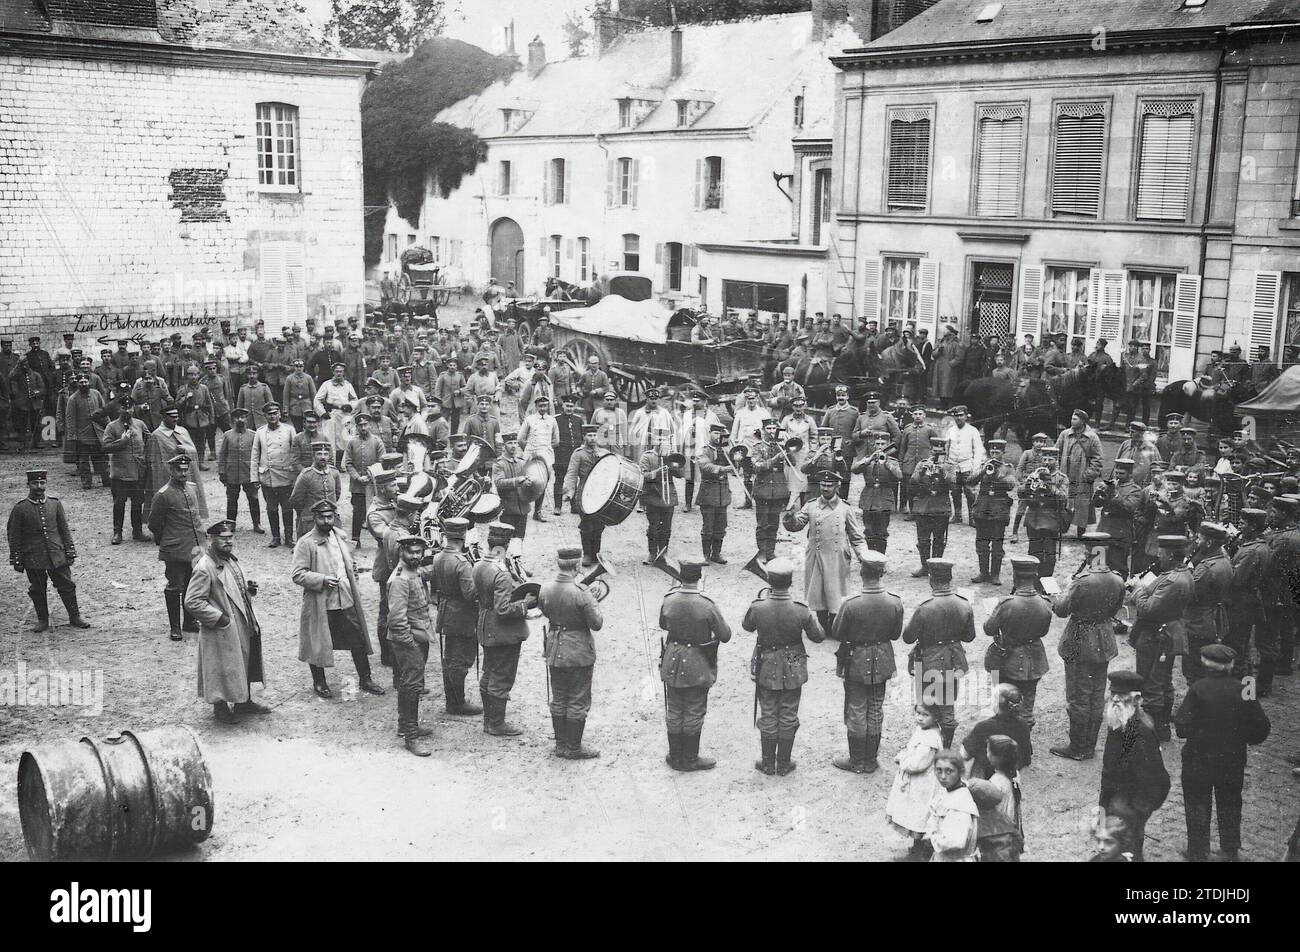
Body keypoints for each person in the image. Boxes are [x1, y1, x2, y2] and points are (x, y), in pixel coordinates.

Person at [1173, 644, 1271, 861]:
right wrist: (1241, 739)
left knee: (1197, 802)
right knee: (1230, 802)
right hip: (1233, 759)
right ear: (1230, 665)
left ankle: (1198, 851)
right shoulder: (1246, 687)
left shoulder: (1198, 688)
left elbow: (1182, 728)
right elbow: (1261, 728)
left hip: (1198, 760)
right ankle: (1229, 849)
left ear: (1205, 664)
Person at [291, 498, 385, 699]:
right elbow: (298, 574)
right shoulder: (306, 543)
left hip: (345, 598)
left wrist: (354, 571)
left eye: (330, 517)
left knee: (357, 638)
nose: (326, 521)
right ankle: (319, 682)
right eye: (322, 517)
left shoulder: (339, 536)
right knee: (318, 640)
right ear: (315, 518)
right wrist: (322, 579)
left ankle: (366, 679)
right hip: (321, 602)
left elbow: (347, 562)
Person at [742, 557, 824, 776]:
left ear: (769, 580)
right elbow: (818, 637)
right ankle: (784, 764)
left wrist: (760, 604)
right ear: (790, 582)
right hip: (793, 661)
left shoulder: (758, 607)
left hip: (766, 661)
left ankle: (768, 764)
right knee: (789, 711)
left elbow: (747, 626)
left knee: (768, 711)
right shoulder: (801, 609)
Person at [1050, 532, 1125, 761]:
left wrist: (1058, 593)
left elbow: (1061, 610)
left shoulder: (1082, 582)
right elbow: (1115, 610)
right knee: (1096, 694)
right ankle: (1089, 744)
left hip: (1079, 641)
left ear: (1088, 553)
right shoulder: (1117, 579)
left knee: (1078, 696)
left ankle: (1078, 747)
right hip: (1104, 639)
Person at [184, 519, 267, 725]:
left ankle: (243, 702)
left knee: (243, 661)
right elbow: (192, 601)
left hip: (241, 620)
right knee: (220, 666)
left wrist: (247, 590)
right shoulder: (205, 567)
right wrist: (219, 619)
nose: (228, 542)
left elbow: (230, 587)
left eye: (230, 537)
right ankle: (220, 708)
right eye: (223, 539)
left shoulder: (229, 560)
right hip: (222, 628)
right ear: (212, 540)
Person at [659, 555, 732, 771]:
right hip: (698, 661)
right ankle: (690, 759)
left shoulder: (668, 599)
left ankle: (675, 756)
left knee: (674, 708)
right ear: (699, 577)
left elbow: (663, 623)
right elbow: (725, 635)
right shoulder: (706, 604)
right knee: (694, 709)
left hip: (672, 657)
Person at [831, 551, 900, 773]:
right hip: (882, 659)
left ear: (862, 572)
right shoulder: (895, 601)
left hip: (856, 661)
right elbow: (896, 634)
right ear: (881, 573)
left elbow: (837, 631)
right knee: (875, 708)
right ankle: (871, 759)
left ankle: (856, 760)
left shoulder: (851, 603)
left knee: (857, 708)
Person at [783, 469, 870, 634]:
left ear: (837, 486)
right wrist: (789, 518)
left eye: (830, 485)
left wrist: (864, 557)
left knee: (836, 593)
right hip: (816, 557)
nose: (825, 488)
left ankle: (836, 627)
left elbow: (856, 537)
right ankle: (823, 626)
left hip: (837, 558)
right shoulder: (811, 505)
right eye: (823, 484)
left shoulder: (845, 508)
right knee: (818, 594)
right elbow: (797, 525)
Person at [538, 545, 605, 759]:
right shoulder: (581, 592)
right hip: (577, 651)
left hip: (555, 647)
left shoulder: (545, 588)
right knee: (578, 699)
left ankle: (560, 745)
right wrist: (592, 601)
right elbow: (596, 624)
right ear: (576, 565)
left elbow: (545, 610)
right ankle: (574, 748)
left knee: (559, 697)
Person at [902, 558, 976, 748]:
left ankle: (928, 744)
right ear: (950, 578)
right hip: (953, 660)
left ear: (930, 579)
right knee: (948, 703)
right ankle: (946, 745)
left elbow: (908, 637)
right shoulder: (964, 604)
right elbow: (969, 637)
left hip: (928, 660)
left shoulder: (925, 607)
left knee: (926, 701)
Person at [1098, 670, 1171, 861]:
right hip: (1117, 799)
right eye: (1112, 694)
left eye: (1121, 696)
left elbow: (1155, 777)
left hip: (1126, 805)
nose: (1114, 699)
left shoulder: (1138, 732)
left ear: (1136, 699)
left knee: (1126, 849)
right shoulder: (1124, 719)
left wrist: (1136, 808)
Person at [7, 469, 89, 631]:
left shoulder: (55, 504)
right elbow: (14, 536)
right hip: (33, 557)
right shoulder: (20, 509)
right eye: (35, 483)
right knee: (37, 588)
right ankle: (43, 620)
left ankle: (75, 616)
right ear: (28, 484)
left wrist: (70, 551)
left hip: (57, 554)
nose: (39, 487)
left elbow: (64, 530)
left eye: (42, 483)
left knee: (67, 585)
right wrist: (16, 559)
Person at [473, 521, 535, 737]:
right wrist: (525, 603)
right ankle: (496, 724)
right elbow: (503, 609)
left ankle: (488, 721)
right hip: (502, 633)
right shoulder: (502, 573)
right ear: (505, 545)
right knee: (502, 676)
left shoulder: (479, 564)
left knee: (489, 673)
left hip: (484, 626)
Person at [1131, 534, 1195, 742]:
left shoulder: (1171, 580)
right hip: (1168, 631)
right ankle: (1163, 726)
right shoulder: (1183, 574)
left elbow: (1148, 609)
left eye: (1161, 553)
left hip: (1156, 635)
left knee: (1150, 682)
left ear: (1170, 555)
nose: (1159, 557)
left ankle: (1151, 732)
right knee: (1163, 681)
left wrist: (1138, 589)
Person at [982, 554, 1051, 732]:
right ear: (1035, 577)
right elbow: (1043, 631)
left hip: (1007, 660)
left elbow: (989, 629)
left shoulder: (1006, 604)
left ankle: (1004, 741)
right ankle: (1024, 745)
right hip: (1035, 659)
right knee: (1027, 704)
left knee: (1003, 702)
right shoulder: (1044, 603)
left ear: (1015, 576)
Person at [386, 533, 437, 756]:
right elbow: (396, 618)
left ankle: (405, 725)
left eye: (419, 552)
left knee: (410, 684)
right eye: (411, 552)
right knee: (412, 686)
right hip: (410, 640)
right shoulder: (400, 579)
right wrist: (408, 643)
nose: (415, 556)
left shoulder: (412, 571)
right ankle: (411, 736)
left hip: (418, 636)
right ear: (402, 552)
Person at [426, 516, 482, 716]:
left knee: (449, 658)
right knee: (460, 660)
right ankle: (457, 704)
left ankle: (453, 700)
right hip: (462, 616)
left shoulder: (438, 557)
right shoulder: (462, 563)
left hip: (446, 611)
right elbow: (470, 594)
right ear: (463, 536)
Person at [146, 453, 205, 641]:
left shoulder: (192, 489)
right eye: (179, 470)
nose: (183, 473)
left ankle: (190, 622)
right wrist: (167, 542)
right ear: (171, 470)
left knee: (192, 585)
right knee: (174, 587)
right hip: (175, 550)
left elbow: (197, 518)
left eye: (186, 469)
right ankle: (175, 627)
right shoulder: (163, 495)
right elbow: (154, 524)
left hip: (195, 548)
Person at [885, 705, 943, 860]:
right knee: (914, 812)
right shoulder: (922, 730)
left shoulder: (930, 739)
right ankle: (917, 846)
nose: (920, 718)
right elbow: (912, 749)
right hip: (917, 783)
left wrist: (902, 759)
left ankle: (922, 850)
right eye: (918, 713)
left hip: (922, 784)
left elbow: (917, 764)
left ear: (936, 717)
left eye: (926, 715)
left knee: (919, 814)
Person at [1182, 522, 1234, 687]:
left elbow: (1190, 594)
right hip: (1215, 618)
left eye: (1200, 538)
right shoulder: (1225, 561)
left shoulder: (1206, 568)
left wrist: (1186, 574)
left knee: (1193, 669)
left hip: (1197, 622)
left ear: (1209, 542)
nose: (1197, 542)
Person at [1226, 508, 1269, 689]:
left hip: (1241, 604)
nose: (1240, 526)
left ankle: (1244, 694)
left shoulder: (1252, 551)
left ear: (1253, 526)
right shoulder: (1258, 545)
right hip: (1247, 601)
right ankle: (1246, 694)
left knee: (1239, 650)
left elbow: (1236, 579)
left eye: (1243, 523)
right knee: (1242, 648)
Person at [100, 397, 151, 545]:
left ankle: (137, 531)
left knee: (137, 503)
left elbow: (150, 440)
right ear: (118, 409)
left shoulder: (140, 424)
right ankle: (117, 532)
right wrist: (122, 442)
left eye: (130, 407)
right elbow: (105, 447)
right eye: (124, 407)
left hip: (137, 472)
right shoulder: (112, 426)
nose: (127, 410)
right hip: (120, 473)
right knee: (119, 503)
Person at [960, 683, 1033, 779]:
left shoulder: (984, 726)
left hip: (985, 777)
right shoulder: (1023, 724)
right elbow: (1026, 758)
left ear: (996, 703)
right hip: (1010, 776)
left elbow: (964, 755)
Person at [251, 403, 298, 548]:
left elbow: (295, 453)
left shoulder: (289, 430)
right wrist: (254, 477)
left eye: (275, 413)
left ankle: (289, 538)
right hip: (268, 477)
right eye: (269, 413)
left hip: (285, 476)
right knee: (271, 508)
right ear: (265, 416)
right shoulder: (259, 432)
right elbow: (255, 455)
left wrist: (295, 476)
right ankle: (276, 537)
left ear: (279, 414)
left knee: (287, 508)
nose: (273, 416)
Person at [971, 438, 1016, 584]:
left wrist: (998, 473)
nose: (994, 453)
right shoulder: (984, 465)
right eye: (992, 450)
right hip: (983, 508)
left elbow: (1010, 485)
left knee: (997, 544)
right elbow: (970, 480)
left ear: (1003, 452)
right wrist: (983, 470)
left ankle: (995, 574)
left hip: (999, 509)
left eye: (997, 451)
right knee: (982, 543)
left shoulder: (1008, 468)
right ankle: (983, 572)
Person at [563, 424, 609, 566]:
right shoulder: (579, 454)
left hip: (601, 495)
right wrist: (569, 492)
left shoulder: (604, 453)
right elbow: (571, 474)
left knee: (599, 525)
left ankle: (596, 554)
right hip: (584, 495)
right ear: (584, 437)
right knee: (587, 525)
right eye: (589, 435)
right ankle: (587, 554)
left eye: (595, 435)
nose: (593, 438)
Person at [1018, 445, 1068, 577]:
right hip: (1033, 518)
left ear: (1056, 460)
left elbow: (1063, 498)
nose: (1046, 462)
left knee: (1049, 554)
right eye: (1044, 458)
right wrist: (1028, 484)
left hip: (1050, 520)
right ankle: (1032, 580)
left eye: (1050, 459)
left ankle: (1046, 581)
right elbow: (1020, 492)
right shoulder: (1034, 474)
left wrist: (1049, 485)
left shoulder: (1061, 478)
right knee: (1034, 552)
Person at [909, 435, 955, 576]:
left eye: (940, 452)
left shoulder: (950, 466)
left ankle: (936, 567)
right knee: (923, 540)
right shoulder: (922, 464)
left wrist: (942, 471)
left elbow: (954, 485)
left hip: (941, 507)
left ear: (945, 452)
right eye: (935, 452)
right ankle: (925, 566)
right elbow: (912, 481)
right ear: (931, 451)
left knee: (939, 539)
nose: (937, 455)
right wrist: (923, 470)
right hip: (924, 506)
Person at [925, 752, 982, 863]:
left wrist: (931, 837)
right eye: (938, 770)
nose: (943, 776)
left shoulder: (961, 804)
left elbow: (954, 841)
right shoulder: (946, 791)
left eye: (949, 771)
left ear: (960, 772)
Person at [852, 431, 901, 552]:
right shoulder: (868, 459)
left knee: (882, 532)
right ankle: (871, 559)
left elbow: (899, 476)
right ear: (873, 444)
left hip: (884, 499)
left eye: (883, 443)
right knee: (869, 531)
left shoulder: (892, 460)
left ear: (888, 444)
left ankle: (880, 559)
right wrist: (868, 460)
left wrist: (887, 463)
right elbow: (854, 469)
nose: (880, 446)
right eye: (877, 443)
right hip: (869, 499)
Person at [1057, 410, 1103, 536]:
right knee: (1063, 500)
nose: (1072, 421)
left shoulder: (1092, 437)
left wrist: (1088, 475)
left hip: (1082, 477)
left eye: (1075, 419)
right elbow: (1057, 453)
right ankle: (1061, 527)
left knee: (1082, 505)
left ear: (1083, 421)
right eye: (1072, 418)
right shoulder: (1065, 434)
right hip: (1065, 474)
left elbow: (1097, 459)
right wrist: (1058, 472)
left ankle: (1081, 532)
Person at [1094, 458, 1142, 577]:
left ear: (1130, 474)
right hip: (1104, 530)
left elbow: (1129, 507)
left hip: (1120, 533)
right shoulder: (1109, 485)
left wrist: (1115, 493)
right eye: (1117, 473)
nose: (1118, 476)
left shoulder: (1135, 489)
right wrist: (1099, 493)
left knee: (1118, 567)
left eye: (1122, 473)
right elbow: (1096, 504)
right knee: (1098, 564)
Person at [217, 408, 262, 533]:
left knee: (253, 499)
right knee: (231, 500)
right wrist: (222, 472)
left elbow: (258, 456)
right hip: (232, 474)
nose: (240, 420)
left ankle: (256, 523)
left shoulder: (253, 435)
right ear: (233, 419)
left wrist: (257, 474)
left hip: (248, 473)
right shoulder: (227, 435)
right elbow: (222, 455)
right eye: (237, 417)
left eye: (243, 417)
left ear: (247, 419)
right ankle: (231, 524)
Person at [750, 418, 789, 562]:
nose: (772, 431)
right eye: (769, 428)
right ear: (763, 430)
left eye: (774, 428)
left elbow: (794, 463)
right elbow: (757, 466)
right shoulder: (758, 447)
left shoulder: (781, 446)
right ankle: (761, 552)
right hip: (763, 490)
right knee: (762, 524)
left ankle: (770, 552)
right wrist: (775, 458)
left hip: (778, 490)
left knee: (774, 523)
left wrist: (788, 450)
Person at [343, 413, 385, 546]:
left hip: (373, 484)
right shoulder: (352, 442)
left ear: (370, 425)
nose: (363, 428)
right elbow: (348, 463)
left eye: (365, 424)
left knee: (376, 513)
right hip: (357, 485)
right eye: (360, 425)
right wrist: (357, 477)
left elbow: (381, 462)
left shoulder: (377, 441)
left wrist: (369, 476)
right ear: (356, 426)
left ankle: (380, 539)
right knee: (358, 511)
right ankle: (355, 539)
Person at [695, 423, 733, 564]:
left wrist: (736, 454)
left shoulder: (725, 449)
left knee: (721, 526)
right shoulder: (704, 449)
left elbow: (736, 463)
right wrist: (723, 469)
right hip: (709, 492)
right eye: (715, 433)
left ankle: (716, 554)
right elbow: (705, 466)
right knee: (708, 526)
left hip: (723, 493)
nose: (718, 436)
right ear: (710, 433)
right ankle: (705, 555)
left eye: (720, 434)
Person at [289, 441, 342, 541]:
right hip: (311, 521)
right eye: (319, 454)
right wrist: (306, 513)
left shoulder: (334, 472)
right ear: (313, 456)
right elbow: (295, 499)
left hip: (331, 520)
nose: (323, 457)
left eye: (325, 454)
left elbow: (337, 494)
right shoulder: (306, 475)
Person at [518, 394, 559, 521]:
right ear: (536, 406)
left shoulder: (552, 420)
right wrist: (530, 450)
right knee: (526, 481)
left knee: (542, 483)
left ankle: (538, 512)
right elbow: (520, 438)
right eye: (540, 406)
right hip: (530, 454)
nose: (542, 408)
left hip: (545, 456)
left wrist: (546, 449)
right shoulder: (529, 419)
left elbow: (556, 440)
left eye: (545, 406)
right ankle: (522, 510)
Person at [64, 374, 108, 489]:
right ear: (78, 384)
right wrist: (73, 436)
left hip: (97, 433)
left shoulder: (96, 394)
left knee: (101, 458)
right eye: (81, 382)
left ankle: (107, 480)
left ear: (89, 382)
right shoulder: (73, 399)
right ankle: (86, 483)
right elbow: (70, 419)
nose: (84, 384)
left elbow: (104, 411)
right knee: (84, 461)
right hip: (82, 435)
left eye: (85, 382)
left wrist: (108, 427)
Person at [638, 437, 678, 564]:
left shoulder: (671, 456)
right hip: (652, 495)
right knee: (653, 526)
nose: (661, 442)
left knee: (667, 527)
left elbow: (682, 473)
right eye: (659, 439)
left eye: (664, 440)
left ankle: (663, 553)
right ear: (653, 442)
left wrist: (673, 462)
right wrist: (657, 472)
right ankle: (652, 552)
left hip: (668, 495)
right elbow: (642, 475)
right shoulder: (647, 456)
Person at [945, 405, 985, 524]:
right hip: (953, 466)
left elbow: (978, 450)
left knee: (970, 492)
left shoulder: (973, 431)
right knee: (955, 492)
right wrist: (947, 464)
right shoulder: (950, 430)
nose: (958, 418)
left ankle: (972, 517)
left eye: (961, 415)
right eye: (956, 416)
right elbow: (947, 447)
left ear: (966, 416)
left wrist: (975, 467)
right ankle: (957, 515)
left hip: (967, 465)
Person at [898, 404, 937, 517]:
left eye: (920, 414)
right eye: (915, 414)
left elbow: (936, 445)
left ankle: (923, 510)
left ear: (924, 415)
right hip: (909, 463)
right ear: (912, 415)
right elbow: (902, 448)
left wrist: (931, 459)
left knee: (924, 486)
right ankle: (912, 512)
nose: (918, 416)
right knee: (910, 488)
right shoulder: (907, 429)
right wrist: (901, 463)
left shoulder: (929, 429)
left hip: (924, 463)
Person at [552, 395, 584, 515]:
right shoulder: (556, 419)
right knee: (559, 480)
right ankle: (557, 506)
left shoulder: (578, 420)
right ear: (563, 406)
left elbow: (582, 437)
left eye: (571, 406)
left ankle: (574, 505)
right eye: (567, 406)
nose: (569, 408)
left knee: (574, 480)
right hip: (561, 455)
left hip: (575, 455)